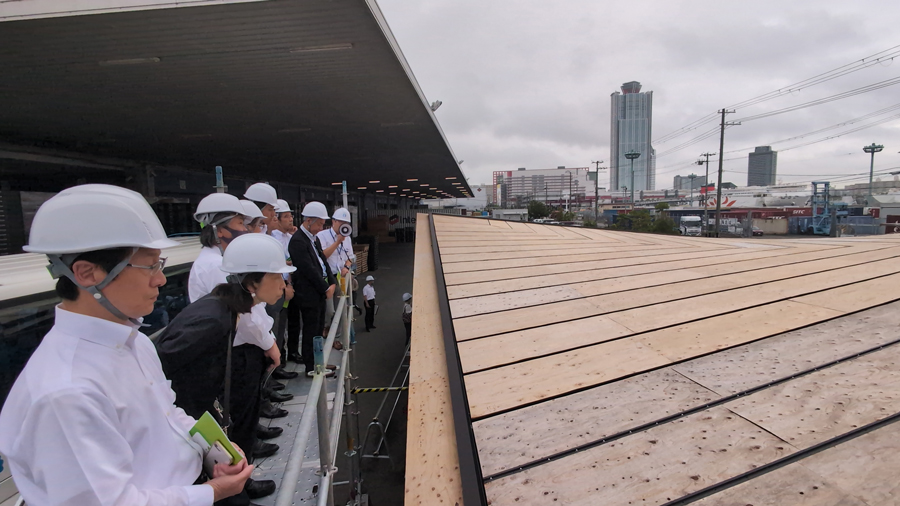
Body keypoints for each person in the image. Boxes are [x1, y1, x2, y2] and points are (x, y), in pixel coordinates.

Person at [0, 184, 252, 506]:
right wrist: (211, 494)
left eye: (160, 265)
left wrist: (214, 447)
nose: (160, 280)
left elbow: (168, 413)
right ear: (87, 273)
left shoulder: (135, 342)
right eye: (149, 266)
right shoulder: (66, 392)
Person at [155, 234, 296, 506]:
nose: (283, 285)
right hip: (188, 418)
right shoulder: (212, 320)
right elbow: (162, 368)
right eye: (277, 277)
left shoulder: (226, 310)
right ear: (252, 282)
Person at [187, 193, 286, 497]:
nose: (245, 228)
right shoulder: (218, 266)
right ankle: (241, 485)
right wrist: (270, 344)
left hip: (240, 349)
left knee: (245, 412)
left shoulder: (214, 262)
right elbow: (248, 314)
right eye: (240, 222)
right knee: (240, 418)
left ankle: (242, 479)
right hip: (239, 351)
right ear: (219, 229)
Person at [287, 202, 337, 377]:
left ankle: (318, 362)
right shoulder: (298, 241)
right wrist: (325, 288)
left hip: (318, 291)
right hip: (308, 293)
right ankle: (311, 366)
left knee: (317, 329)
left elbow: (323, 262)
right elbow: (308, 269)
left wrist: (332, 281)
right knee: (311, 330)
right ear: (309, 221)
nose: (321, 227)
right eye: (320, 224)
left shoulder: (312, 239)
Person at [316, 208, 356, 330]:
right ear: (333, 221)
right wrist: (337, 242)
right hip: (328, 277)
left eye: (346, 223)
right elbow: (323, 256)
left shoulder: (347, 238)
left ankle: (337, 337)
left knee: (342, 308)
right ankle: (326, 328)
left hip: (342, 276)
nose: (343, 225)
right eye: (340, 222)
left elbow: (351, 257)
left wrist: (346, 266)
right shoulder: (322, 236)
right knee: (330, 310)